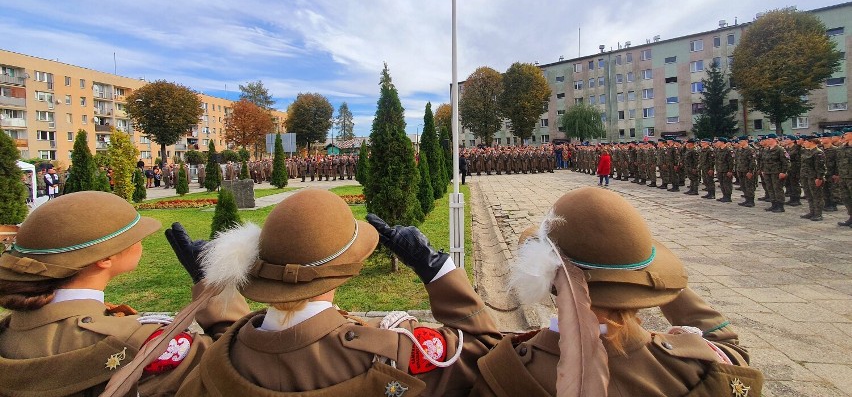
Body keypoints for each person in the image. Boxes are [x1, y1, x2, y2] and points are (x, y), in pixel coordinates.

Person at [176, 188, 501, 396]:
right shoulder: (388, 352)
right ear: (346, 271)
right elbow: (484, 351)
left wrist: (213, 287)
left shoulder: (222, 357)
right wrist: (435, 267)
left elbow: (235, 340)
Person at [471, 187, 763, 397]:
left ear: (548, 274)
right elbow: (730, 348)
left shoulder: (505, 372)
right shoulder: (696, 366)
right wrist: (652, 272)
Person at [0, 191, 248, 396]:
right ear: (105, 259)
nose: (141, 240)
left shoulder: (9, 333)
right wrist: (216, 288)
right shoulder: (143, 342)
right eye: (133, 235)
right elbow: (235, 370)